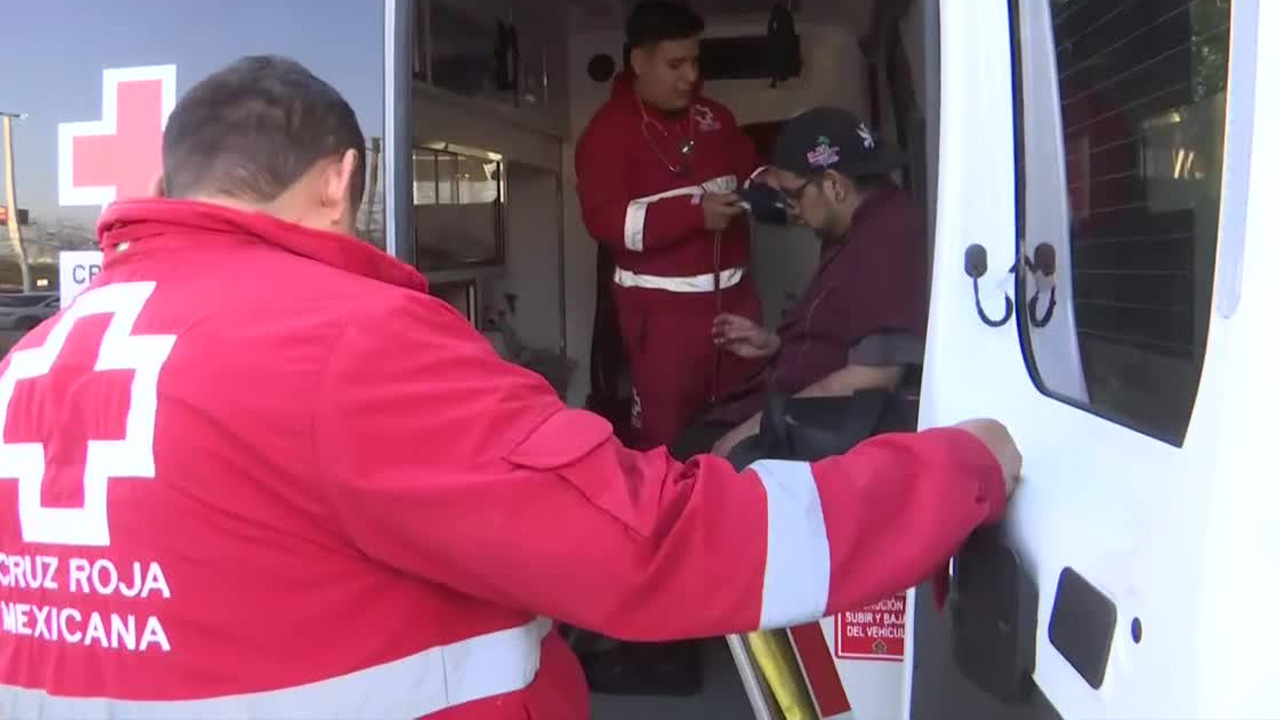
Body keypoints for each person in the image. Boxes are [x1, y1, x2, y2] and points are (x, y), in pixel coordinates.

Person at [0, 56, 1021, 720]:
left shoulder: (32, 363)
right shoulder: (343, 343)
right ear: (342, 180)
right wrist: (958, 470)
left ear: (172, 180)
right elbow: (648, 545)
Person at [672, 107, 931, 459]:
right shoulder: (852, 224)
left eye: (793, 195)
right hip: (783, 396)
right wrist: (776, 343)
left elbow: (873, 375)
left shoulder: (886, 239)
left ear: (836, 185)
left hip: (819, 425)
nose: (790, 209)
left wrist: (759, 427)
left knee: (692, 464)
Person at [575, 0, 769, 451]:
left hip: (737, 314)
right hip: (662, 331)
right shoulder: (605, 136)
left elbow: (748, 170)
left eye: (695, 62)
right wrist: (694, 214)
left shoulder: (714, 117)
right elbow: (609, 224)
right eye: (675, 64)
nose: (691, 77)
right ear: (639, 63)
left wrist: (772, 183)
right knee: (666, 450)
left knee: (747, 434)